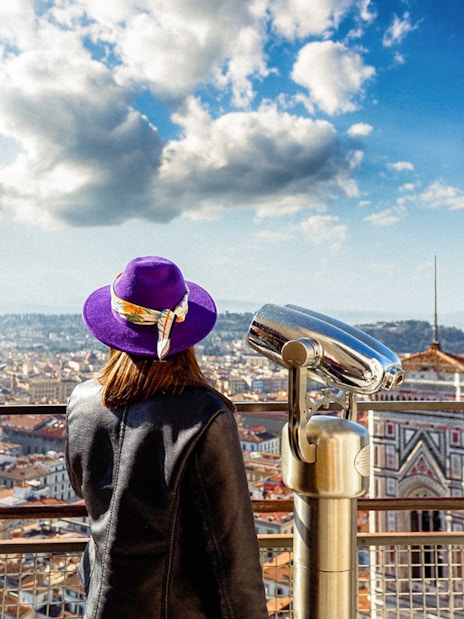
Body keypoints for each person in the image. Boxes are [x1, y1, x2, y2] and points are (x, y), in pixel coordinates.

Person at [65, 256, 268, 619]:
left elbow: (83, 487)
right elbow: (231, 554)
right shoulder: (204, 416)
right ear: (187, 334)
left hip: (102, 604)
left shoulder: (82, 402)